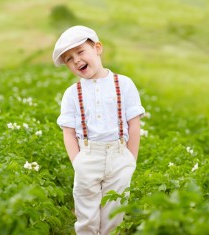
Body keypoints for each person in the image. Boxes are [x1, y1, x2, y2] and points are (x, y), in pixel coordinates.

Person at [53, 25, 145, 235]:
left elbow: (134, 123)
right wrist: (78, 162)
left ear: (97, 48)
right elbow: (68, 132)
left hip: (119, 156)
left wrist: (130, 159)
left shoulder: (124, 84)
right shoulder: (71, 93)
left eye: (80, 52)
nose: (76, 60)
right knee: (86, 215)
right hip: (88, 156)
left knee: (114, 215)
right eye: (68, 59)